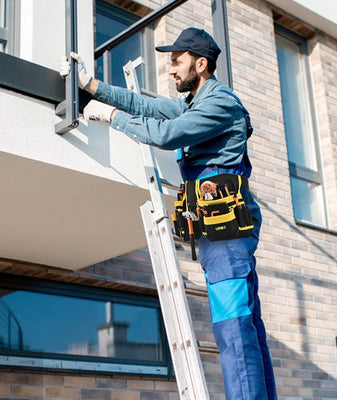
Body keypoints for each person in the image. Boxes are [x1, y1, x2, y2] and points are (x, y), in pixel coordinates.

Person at [60, 27, 277, 400]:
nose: (171, 70)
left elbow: (166, 134)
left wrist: (110, 116)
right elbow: (149, 106)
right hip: (216, 225)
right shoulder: (196, 102)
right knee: (246, 326)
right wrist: (93, 86)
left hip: (225, 228)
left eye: (176, 62)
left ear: (201, 63)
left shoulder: (220, 103)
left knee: (234, 328)